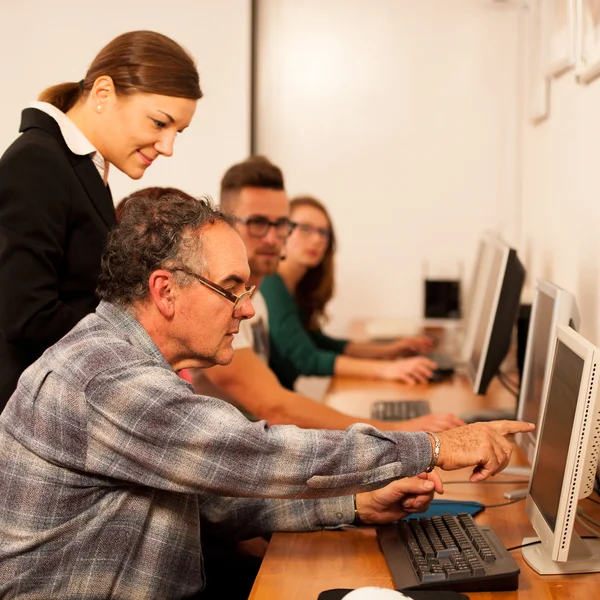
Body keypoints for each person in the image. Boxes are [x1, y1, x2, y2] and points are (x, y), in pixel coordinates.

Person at [0, 186, 534, 598]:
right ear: (165, 291)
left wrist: (354, 505)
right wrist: (436, 446)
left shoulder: (122, 357)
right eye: (230, 288)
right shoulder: (106, 380)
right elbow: (254, 454)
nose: (249, 309)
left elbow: (206, 500)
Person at [0, 30, 201, 412]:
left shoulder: (83, 168)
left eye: (178, 132)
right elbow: (27, 316)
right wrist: (143, 341)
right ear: (103, 93)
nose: (168, 147)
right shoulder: (37, 162)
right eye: (160, 123)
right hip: (30, 417)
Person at [190, 156, 464, 432]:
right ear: (226, 223)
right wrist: (394, 429)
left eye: (281, 224)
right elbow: (275, 407)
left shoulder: (256, 297)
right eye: (258, 223)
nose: (272, 238)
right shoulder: (218, 305)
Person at [261, 194, 438, 392]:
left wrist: (391, 350)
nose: (317, 239)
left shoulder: (297, 289)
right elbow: (307, 358)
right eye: (305, 228)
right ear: (284, 230)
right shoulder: (270, 284)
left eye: (324, 232)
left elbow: (323, 344)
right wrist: (388, 369)